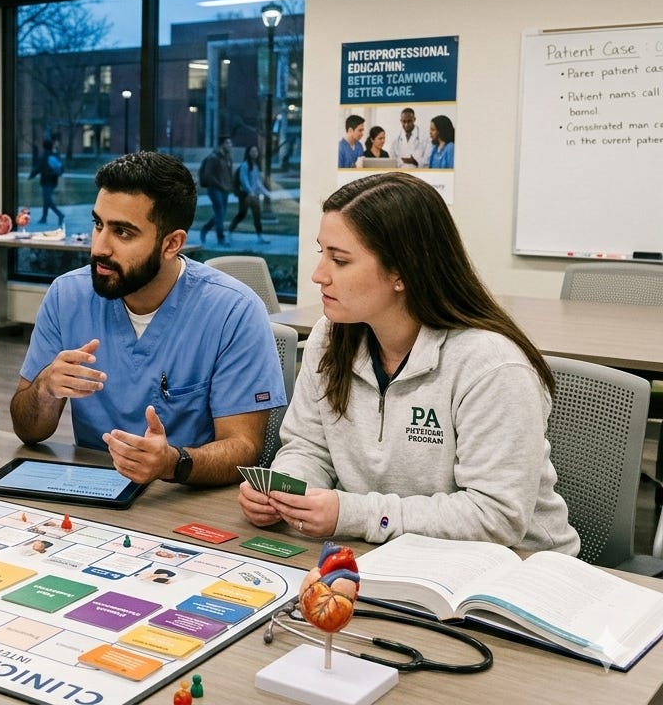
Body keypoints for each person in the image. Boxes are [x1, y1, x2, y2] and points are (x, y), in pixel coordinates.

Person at [238, 172, 578, 555]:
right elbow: (309, 447)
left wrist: (356, 515)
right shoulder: (330, 337)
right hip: (387, 554)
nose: (319, 275)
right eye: (322, 253)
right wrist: (284, 490)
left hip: (514, 568)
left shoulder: (491, 366)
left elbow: (496, 516)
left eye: (340, 260)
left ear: (401, 273)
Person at [11, 151, 287, 487]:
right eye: (98, 224)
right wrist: (44, 387)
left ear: (172, 243)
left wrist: (172, 462)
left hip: (185, 497)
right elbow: (28, 431)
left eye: (123, 232)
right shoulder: (67, 296)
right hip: (93, 490)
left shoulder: (234, 311)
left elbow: (244, 449)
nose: (99, 247)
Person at [228, 144, 271, 243]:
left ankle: (260, 237)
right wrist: (250, 192)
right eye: (252, 151)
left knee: (257, 215)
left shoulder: (255, 166)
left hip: (253, 196)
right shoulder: (245, 165)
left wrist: (266, 193)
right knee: (242, 214)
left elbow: (258, 183)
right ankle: (229, 232)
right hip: (245, 195)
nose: (254, 153)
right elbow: (244, 181)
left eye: (256, 151)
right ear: (248, 153)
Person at [197, 136, 235, 245]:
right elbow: (209, 175)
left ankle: (205, 229)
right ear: (222, 144)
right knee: (220, 212)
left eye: (230, 143)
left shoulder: (228, 157)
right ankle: (221, 238)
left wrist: (230, 186)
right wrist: (221, 186)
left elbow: (229, 174)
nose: (230, 145)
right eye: (228, 143)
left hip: (225, 190)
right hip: (214, 189)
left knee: (220, 214)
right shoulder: (213, 157)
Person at [29, 138, 65, 227]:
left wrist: (31, 175)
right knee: (46, 200)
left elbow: (38, 168)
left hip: (46, 180)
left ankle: (60, 214)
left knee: (47, 200)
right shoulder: (55, 155)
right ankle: (44, 218)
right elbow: (61, 168)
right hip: (53, 180)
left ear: (44, 146)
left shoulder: (44, 156)